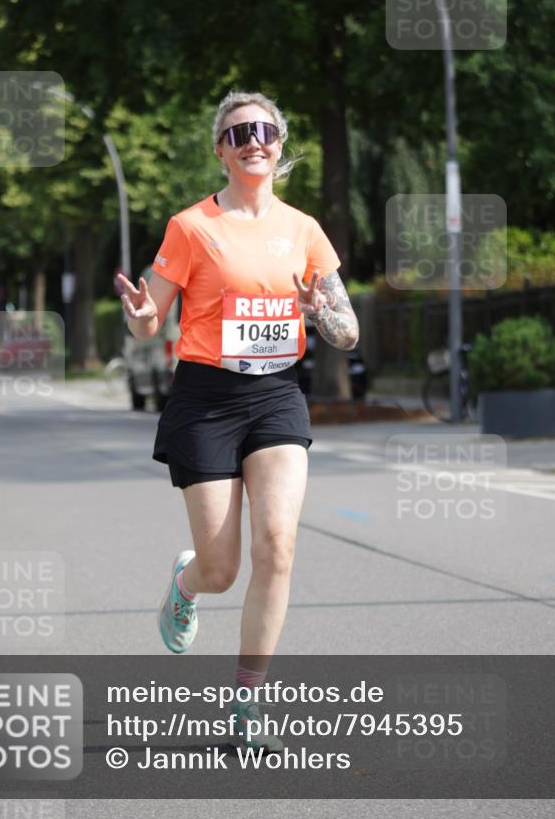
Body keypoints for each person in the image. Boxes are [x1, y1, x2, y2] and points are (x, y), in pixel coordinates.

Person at [116, 92, 359, 753]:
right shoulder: (190, 226)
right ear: (221, 150)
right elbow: (148, 321)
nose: (254, 140)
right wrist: (141, 315)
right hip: (206, 399)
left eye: (265, 130)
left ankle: (247, 704)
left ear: (278, 144)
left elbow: (346, 332)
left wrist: (318, 310)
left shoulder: (303, 229)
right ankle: (186, 582)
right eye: (238, 132)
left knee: (277, 543)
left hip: (276, 394)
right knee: (221, 569)